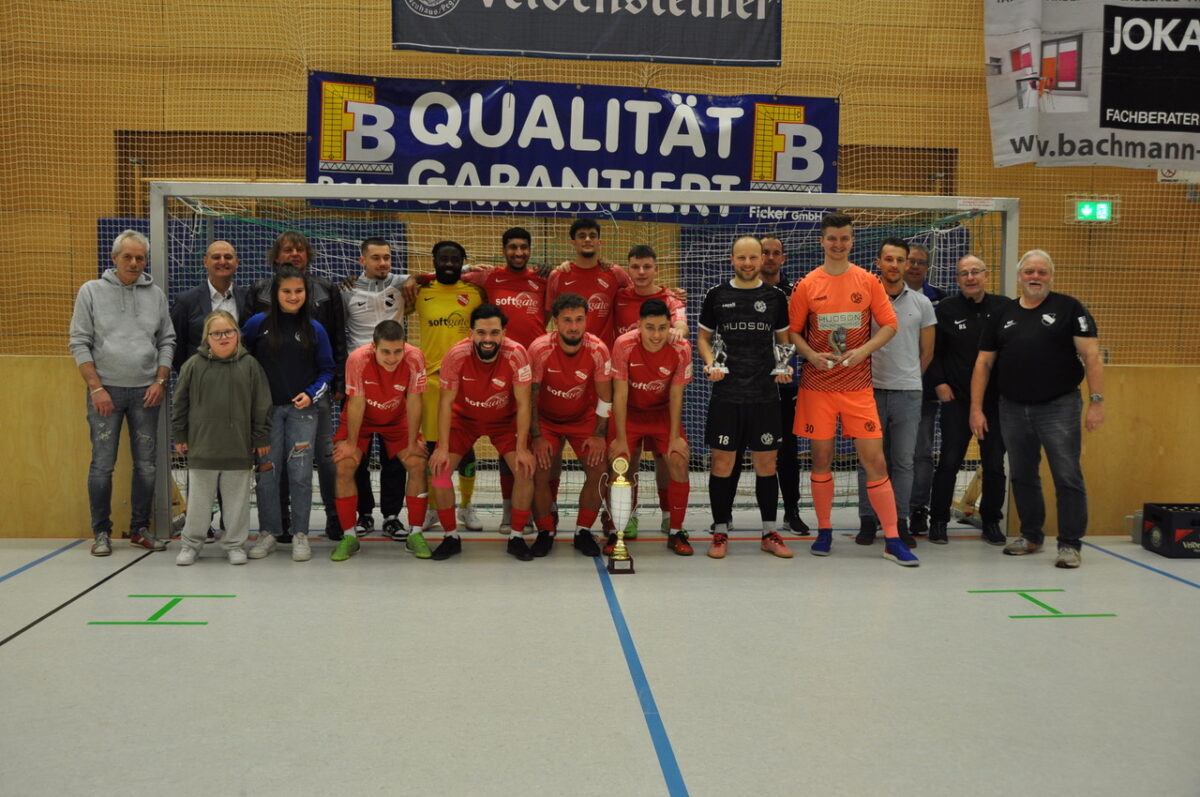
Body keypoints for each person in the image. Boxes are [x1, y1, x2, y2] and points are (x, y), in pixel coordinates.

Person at [787, 213, 919, 566]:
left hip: (858, 387)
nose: (838, 244)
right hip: (818, 387)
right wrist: (812, 355)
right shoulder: (806, 285)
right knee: (821, 460)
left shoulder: (868, 281)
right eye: (832, 238)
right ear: (822, 241)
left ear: (852, 241)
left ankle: (892, 538)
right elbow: (794, 332)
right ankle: (825, 530)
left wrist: (862, 351)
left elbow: (889, 325)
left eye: (844, 238)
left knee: (875, 461)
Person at [970, 249, 1105, 568]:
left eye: (1042, 272)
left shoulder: (1069, 308)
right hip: (1012, 407)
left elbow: (1093, 358)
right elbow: (983, 362)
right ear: (1019, 277)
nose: (1035, 277)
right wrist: (976, 408)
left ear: (1051, 276)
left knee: (1067, 475)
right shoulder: (1002, 314)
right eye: (1029, 271)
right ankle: (1031, 536)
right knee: (1022, 474)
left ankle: (1070, 545)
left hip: (1059, 406)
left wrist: (1097, 402)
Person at [69, 229, 176, 556]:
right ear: (114, 258)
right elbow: (78, 342)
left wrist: (159, 380)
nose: (133, 263)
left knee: (147, 465)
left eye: (139, 257)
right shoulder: (90, 291)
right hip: (106, 394)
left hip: (147, 393)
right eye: (127, 256)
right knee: (102, 465)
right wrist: (96, 388)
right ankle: (101, 532)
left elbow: (167, 340)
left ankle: (139, 528)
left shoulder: (155, 294)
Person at [697, 236, 794, 560]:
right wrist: (710, 363)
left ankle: (769, 531)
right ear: (732, 259)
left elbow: (783, 339)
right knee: (723, 463)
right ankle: (720, 530)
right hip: (727, 394)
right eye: (743, 258)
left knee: (767, 464)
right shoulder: (716, 295)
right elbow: (703, 337)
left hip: (765, 396)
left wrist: (783, 365)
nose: (749, 263)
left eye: (754, 257)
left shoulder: (775, 297)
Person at [251, 231, 346, 541]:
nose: (294, 254)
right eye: (287, 250)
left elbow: (337, 342)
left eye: (300, 249)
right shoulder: (259, 296)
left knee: (322, 458)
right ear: (276, 257)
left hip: (313, 395)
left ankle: (334, 517)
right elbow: (248, 355)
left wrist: (335, 383)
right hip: (272, 402)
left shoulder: (326, 292)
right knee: (272, 463)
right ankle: (277, 523)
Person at [428, 305, 536, 561]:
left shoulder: (517, 354)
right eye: (481, 332)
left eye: (494, 333)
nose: (488, 339)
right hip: (463, 421)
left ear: (503, 334)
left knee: (525, 470)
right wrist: (442, 447)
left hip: (504, 421)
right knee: (440, 472)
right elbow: (445, 403)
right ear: (471, 333)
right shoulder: (455, 355)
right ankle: (450, 536)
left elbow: (523, 404)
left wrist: (522, 448)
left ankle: (517, 537)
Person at [242, 266, 335, 562]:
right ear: (275, 294)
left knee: (300, 473)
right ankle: (269, 532)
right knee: (267, 472)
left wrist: (310, 394)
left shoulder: (314, 329)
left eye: (298, 291)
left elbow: (328, 369)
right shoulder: (258, 324)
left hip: (302, 414)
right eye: (286, 291)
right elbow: (242, 361)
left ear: (306, 294)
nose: (293, 296)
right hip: (267, 415)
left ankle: (300, 534)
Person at [171, 311, 272, 565]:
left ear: (237, 334)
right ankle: (191, 544)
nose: (223, 337)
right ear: (208, 338)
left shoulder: (251, 366)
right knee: (199, 503)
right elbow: (179, 403)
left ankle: (235, 544)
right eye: (217, 333)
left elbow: (262, 405)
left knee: (237, 502)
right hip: (202, 447)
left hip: (238, 447)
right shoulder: (193, 365)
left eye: (229, 332)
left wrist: (260, 438)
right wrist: (180, 433)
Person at [170, 240, 254, 542]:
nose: (222, 261)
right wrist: (195, 382)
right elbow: (177, 347)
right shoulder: (186, 300)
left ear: (237, 262)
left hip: (238, 397)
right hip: (202, 397)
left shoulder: (248, 298)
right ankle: (199, 525)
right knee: (201, 461)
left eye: (228, 257)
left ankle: (231, 530)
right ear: (205, 261)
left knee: (234, 464)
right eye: (216, 256)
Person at [854, 238, 935, 548]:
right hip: (867, 392)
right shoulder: (863, 300)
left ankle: (899, 522)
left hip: (908, 394)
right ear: (878, 262)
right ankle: (867, 520)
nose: (894, 265)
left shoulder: (922, 304)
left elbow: (927, 352)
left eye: (900, 260)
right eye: (888, 259)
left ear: (906, 264)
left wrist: (909, 377)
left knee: (903, 461)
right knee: (868, 461)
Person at [328, 320, 432, 562]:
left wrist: (413, 439)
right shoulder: (357, 359)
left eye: (398, 351)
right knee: (345, 465)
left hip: (397, 418)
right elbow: (356, 403)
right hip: (361, 418)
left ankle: (415, 534)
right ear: (373, 346)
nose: (392, 357)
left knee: (417, 463)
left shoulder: (415, 358)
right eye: (386, 351)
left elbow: (416, 400)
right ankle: (349, 537)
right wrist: (352, 445)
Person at [926, 255, 1009, 545]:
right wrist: (939, 382)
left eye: (975, 272)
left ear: (986, 275)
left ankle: (991, 522)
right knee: (949, 461)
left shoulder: (1004, 307)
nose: (970, 277)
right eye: (964, 273)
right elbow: (932, 351)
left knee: (995, 465)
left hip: (995, 402)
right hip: (957, 400)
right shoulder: (946, 310)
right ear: (957, 279)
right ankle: (937, 521)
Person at [526, 294, 613, 557]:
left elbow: (605, 396)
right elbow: (529, 398)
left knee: (599, 469)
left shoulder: (598, 349)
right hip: (546, 421)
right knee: (538, 472)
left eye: (578, 320)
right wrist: (537, 436)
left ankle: (582, 531)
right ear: (555, 322)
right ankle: (545, 531)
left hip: (582, 419)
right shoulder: (539, 349)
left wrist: (599, 435)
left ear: (586, 320)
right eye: (566, 320)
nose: (573, 326)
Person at [612, 244, 688, 537]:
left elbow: (680, 324)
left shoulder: (670, 299)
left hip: (659, 399)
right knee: (624, 459)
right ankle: (624, 517)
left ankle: (670, 517)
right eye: (635, 267)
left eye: (647, 267)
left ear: (657, 269)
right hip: (625, 390)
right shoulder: (618, 296)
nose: (641, 272)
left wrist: (676, 332)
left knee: (668, 457)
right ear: (628, 269)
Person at [608, 298, 694, 556]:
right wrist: (621, 438)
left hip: (662, 415)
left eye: (662, 328)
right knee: (619, 463)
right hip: (630, 413)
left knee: (678, 460)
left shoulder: (681, 348)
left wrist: (674, 437)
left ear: (670, 326)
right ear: (638, 326)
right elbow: (620, 395)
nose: (656, 335)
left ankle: (676, 530)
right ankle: (617, 531)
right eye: (650, 328)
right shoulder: (623, 345)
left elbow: (677, 395)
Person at [411, 241, 486, 531]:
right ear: (434, 261)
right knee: (433, 448)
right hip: (431, 384)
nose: (449, 263)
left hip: (465, 383)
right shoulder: (419, 293)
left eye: (455, 259)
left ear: (462, 261)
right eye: (443, 258)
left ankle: (466, 506)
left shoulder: (474, 294)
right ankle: (433, 506)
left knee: (465, 447)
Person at [340, 237, 411, 540]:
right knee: (357, 453)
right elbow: (337, 331)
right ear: (362, 261)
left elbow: (437, 274)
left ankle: (393, 516)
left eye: (387, 257)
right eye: (376, 258)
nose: (383, 263)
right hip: (359, 382)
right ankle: (364, 513)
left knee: (395, 457)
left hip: (396, 381)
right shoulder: (345, 292)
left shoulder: (401, 283)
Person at [759, 235, 808, 534]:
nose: (770, 258)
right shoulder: (742, 290)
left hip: (786, 383)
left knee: (788, 451)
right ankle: (724, 516)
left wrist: (782, 366)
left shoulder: (795, 292)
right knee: (738, 449)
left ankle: (792, 511)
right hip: (748, 384)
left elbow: (791, 333)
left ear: (784, 258)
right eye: (765, 252)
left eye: (776, 253)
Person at [905, 242, 947, 533]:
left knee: (921, 452)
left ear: (927, 268)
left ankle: (918, 508)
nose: (914, 266)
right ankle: (886, 511)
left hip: (923, 391)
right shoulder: (878, 295)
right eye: (910, 260)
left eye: (920, 262)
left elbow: (938, 350)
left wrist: (921, 381)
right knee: (888, 453)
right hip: (886, 389)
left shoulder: (939, 301)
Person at [545, 218, 631, 347]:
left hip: (604, 355)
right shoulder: (558, 275)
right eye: (582, 236)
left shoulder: (615, 274)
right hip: (567, 353)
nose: (587, 239)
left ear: (599, 242)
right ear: (573, 243)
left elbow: (638, 295)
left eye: (592, 236)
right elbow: (546, 317)